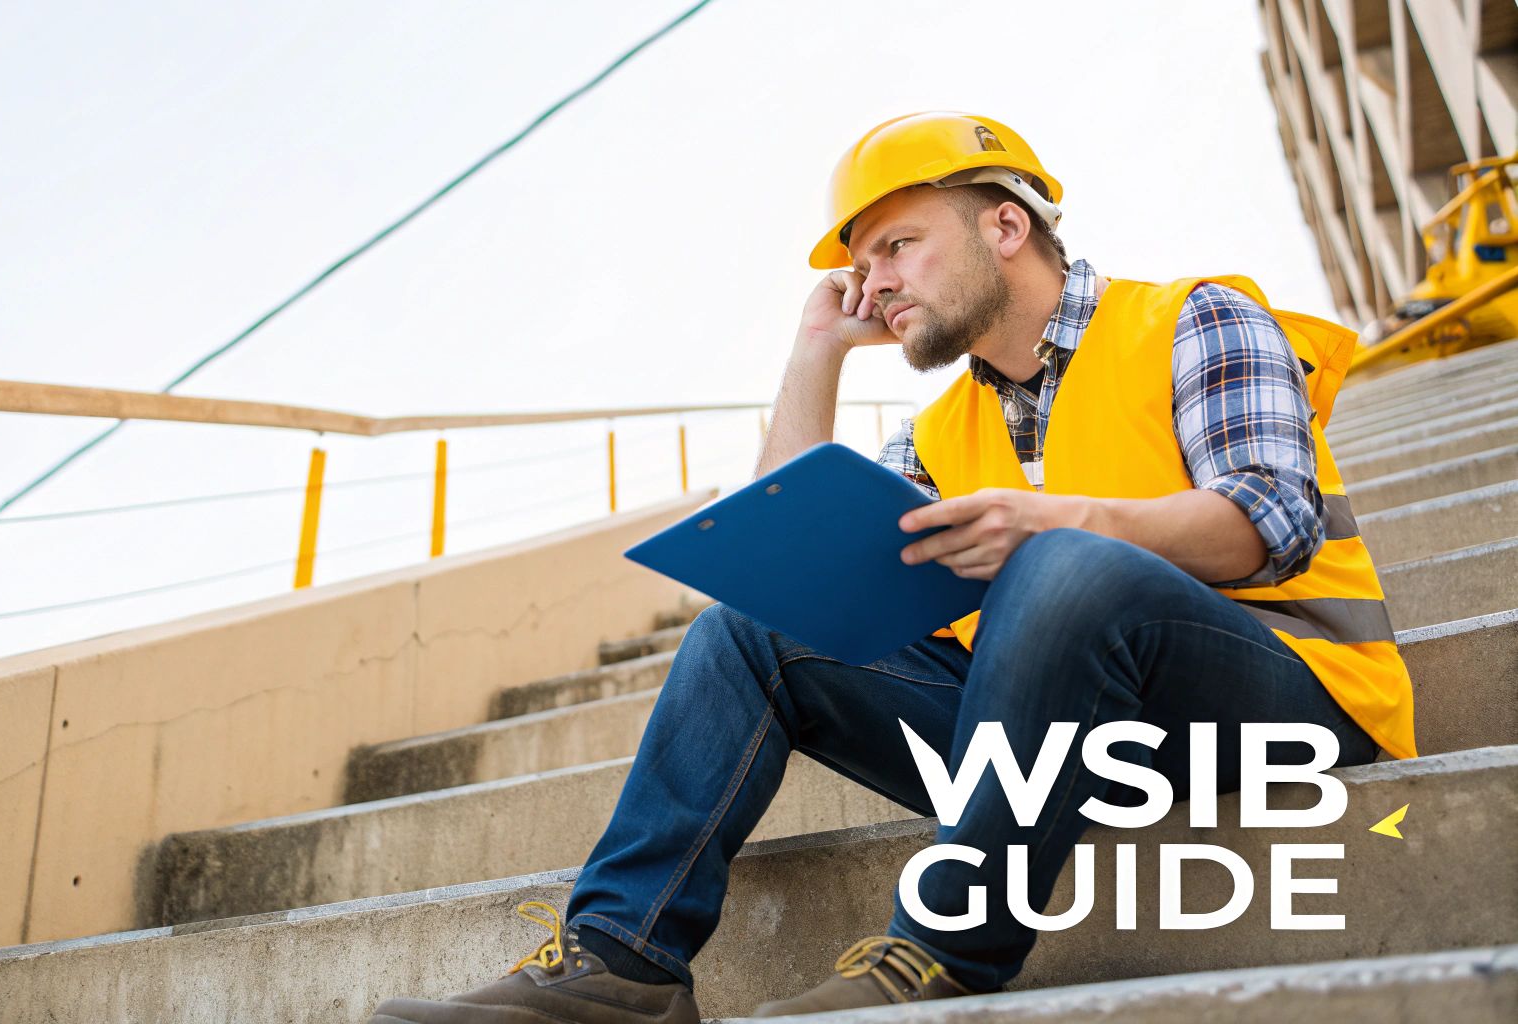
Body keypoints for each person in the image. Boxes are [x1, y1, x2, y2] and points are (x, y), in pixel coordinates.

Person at [367, 111, 1415, 1023]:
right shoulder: (941, 431)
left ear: (1004, 227)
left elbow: (1268, 518)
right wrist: (815, 350)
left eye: (898, 246)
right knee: (749, 628)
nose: (873, 282)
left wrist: (1057, 525)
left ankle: (939, 955)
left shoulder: (1193, 317)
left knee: (1062, 563)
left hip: (1281, 706)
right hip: (1062, 746)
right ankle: (622, 963)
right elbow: (785, 565)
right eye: (862, 265)